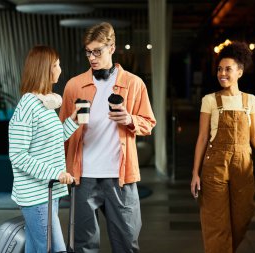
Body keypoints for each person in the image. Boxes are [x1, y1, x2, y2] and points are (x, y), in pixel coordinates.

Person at [59, 22, 156, 253]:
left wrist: (129, 119)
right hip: (83, 177)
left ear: (112, 48)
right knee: (83, 246)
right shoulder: (74, 85)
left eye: (97, 51)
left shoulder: (133, 83)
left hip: (120, 177)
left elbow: (149, 123)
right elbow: (60, 132)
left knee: (126, 243)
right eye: (88, 52)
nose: (92, 57)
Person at [190, 41, 255, 253]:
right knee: (215, 219)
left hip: (243, 164)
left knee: (244, 213)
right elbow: (203, 137)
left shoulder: (251, 101)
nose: (222, 73)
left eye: (228, 69)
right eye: (220, 69)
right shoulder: (210, 100)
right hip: (215, 165)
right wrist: (195, 173)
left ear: (240, 72)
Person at [9, 45, 80, 253]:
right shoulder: (28, 106)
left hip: (48, 191)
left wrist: (73, 121)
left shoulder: (44, 105)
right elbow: (18, 155)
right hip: (36, 195)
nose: (60, 69)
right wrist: (56, 173)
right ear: (45, 69)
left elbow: (53, 140)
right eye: (56, 65)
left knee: (38, 249)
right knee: (54, 249)